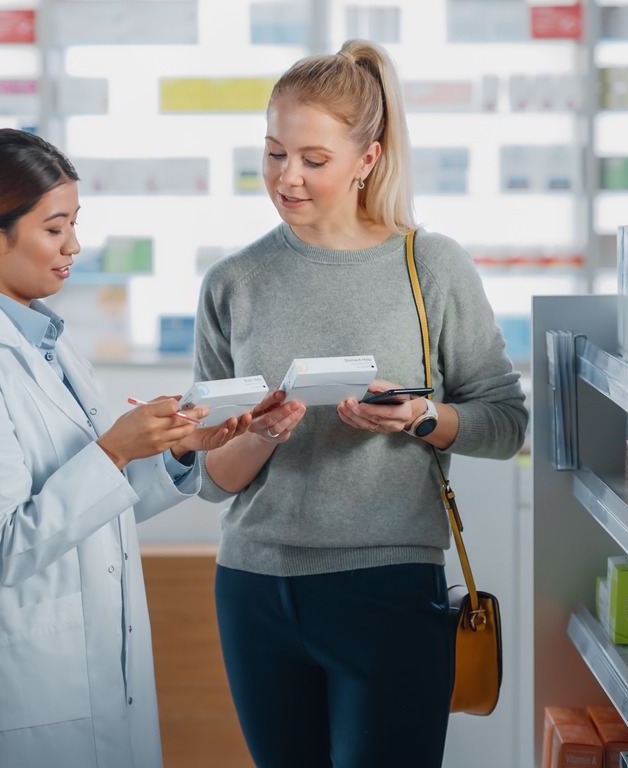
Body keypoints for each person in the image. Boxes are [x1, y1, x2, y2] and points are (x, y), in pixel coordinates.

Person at [192, 40, 529, 767]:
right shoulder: (233, 282)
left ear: (367, 159)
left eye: (313, 159)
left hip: (388, 589)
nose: (287, 177)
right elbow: (209, 479)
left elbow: (507, 424)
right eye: (274, 153)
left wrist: (421, 418)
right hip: (254, 587)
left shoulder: (430, 267)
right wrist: (261, 435)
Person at [0, 128, 248, 768]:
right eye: (55, 229)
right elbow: (3, 547)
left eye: (75, 224)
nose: (73, 245)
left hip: (96, 675)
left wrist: (174, 450)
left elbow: (90, 512)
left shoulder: (49, 347)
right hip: (20, 694)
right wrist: (113, 452)